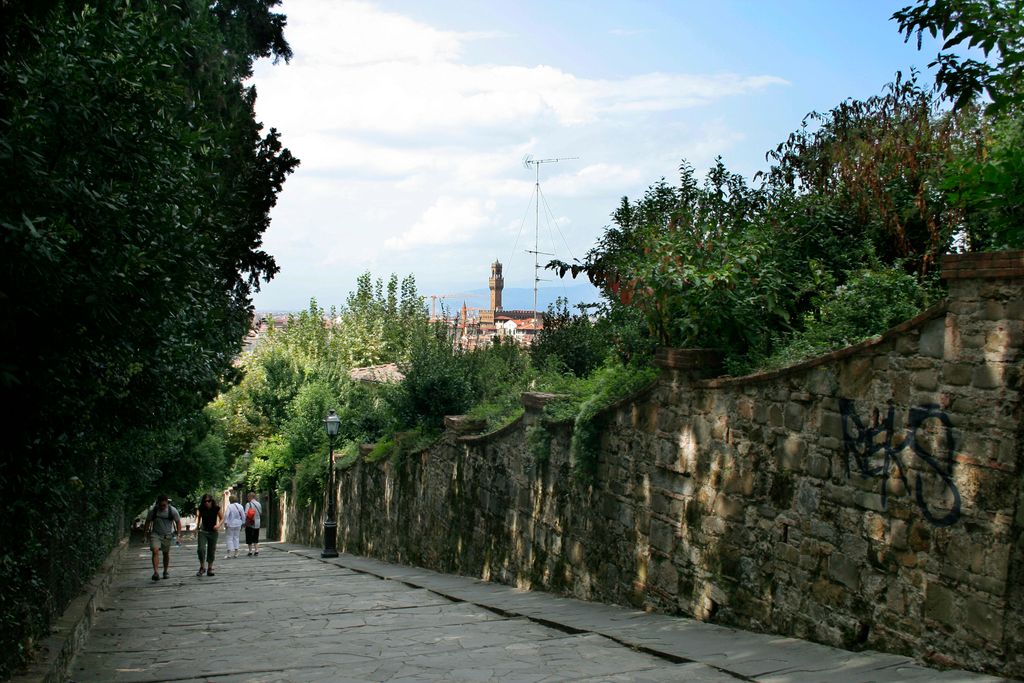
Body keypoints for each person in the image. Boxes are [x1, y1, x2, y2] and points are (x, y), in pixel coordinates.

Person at [143, 495, 181, 581]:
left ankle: (165, 571)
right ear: (158, 504)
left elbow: (178, 522)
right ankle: (156, 573)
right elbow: (147, 522)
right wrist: (144, 535)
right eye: (160, 505)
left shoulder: (172, 510)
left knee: (165, 553)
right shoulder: (153, 511)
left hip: (167, 535)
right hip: (155, 534)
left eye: (164, 505)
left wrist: (178, 535)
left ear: (167, 502)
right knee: (155, 550)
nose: (162, 507)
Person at [195, 493, 223, 577]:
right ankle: (202, 567)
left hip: (213, 532)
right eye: (205, 501)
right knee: (201, 549)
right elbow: (198, 518)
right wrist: (196, 527)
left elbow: (222, 518)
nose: (207, 503)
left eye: (208, 501)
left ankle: (210, 568)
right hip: (203, 531)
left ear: (212, 501)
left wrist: (218, 525)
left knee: (211, 550)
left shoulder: (216, 508)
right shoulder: (201, 508)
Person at [223, 494, 245, 558]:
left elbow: (226, 515)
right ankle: (236, 552)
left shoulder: (230, 506)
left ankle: (229, 553)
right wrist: (243, 522)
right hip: (238, 524)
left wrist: (225, 522)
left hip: (230, 524)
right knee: (236, 537)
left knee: (229, 538)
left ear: (230, 500)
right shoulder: (240, 506)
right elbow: (243, 515)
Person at [244, 491, 262, 556]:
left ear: (250, 497)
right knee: (256, 537)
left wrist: (244, 522)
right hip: (257, 523)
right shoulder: (259, 504)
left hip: (250, 523)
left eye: (248, 497)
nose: (247, 498)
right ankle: (256, 550)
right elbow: (260, 512)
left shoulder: (248, 504)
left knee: (249, 537)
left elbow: (246, 513)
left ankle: (250, 551)